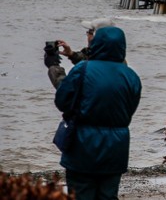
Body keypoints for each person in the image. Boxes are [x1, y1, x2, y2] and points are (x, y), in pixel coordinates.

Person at [45, 26, 142, 200]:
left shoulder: (82, 70)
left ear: (96, 44)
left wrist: (53, 66)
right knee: (108, 196)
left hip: (82, 147)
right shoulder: (131, 76)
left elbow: (62, 101)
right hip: (116, 149)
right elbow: (130, 109)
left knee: (81, 194)